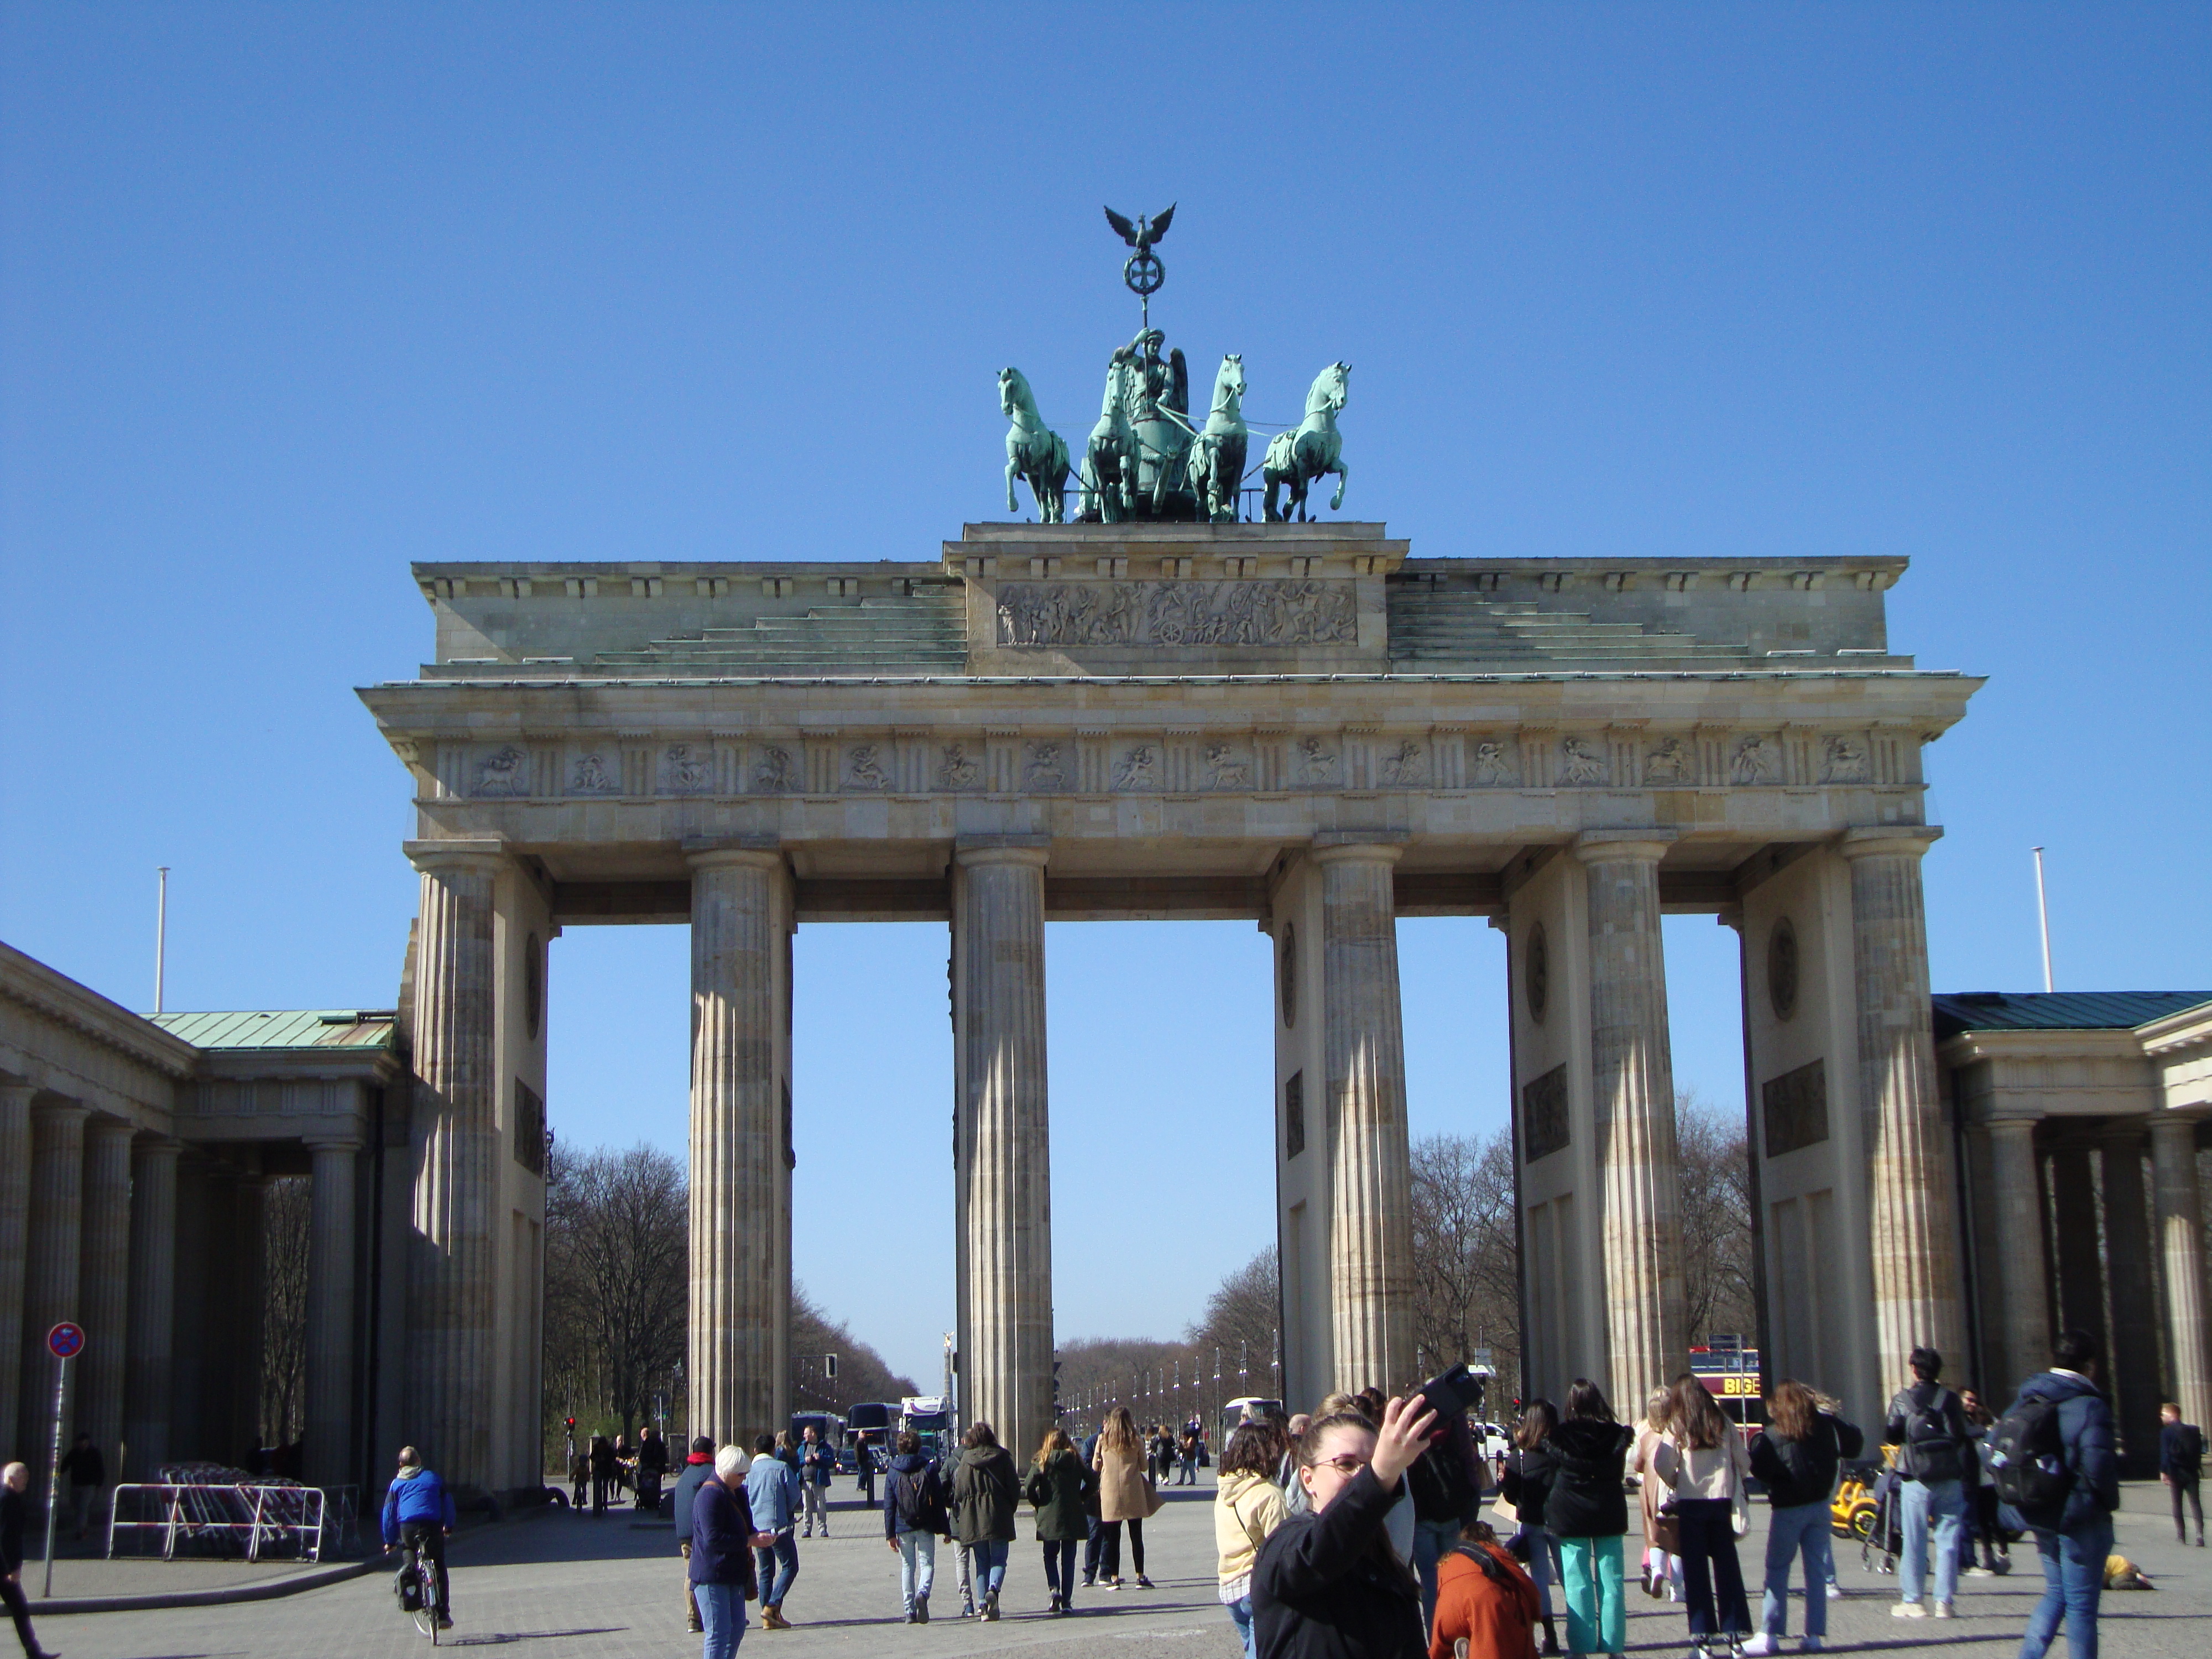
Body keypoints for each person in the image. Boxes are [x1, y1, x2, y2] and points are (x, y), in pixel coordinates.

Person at [1250, 1392, 1436, 1658]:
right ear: (1308, 1478)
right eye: (1345, 1464)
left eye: (1369, 1465)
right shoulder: (1287, 1543)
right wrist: (1379, 1475)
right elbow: (1321, 1551)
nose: (1359, 1475)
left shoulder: (1389, 1568)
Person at [2006, 1329, 2120, 1659]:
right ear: (2089, 1366)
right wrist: (2107, 1504)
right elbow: (2098, 1464)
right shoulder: (2089, 1405)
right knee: (2082, 1608)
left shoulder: (2028, 1396)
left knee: (2056, 1593)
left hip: (2041, 1510)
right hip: (2079, 1516)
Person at [1742, 1379, 1863, 1655]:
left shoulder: (1772, 1436)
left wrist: (1778, 1481)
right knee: (1816, 1571)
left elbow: (1758, 1469)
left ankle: (1770, 1632)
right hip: (1820, 1504)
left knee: (1777, 1569)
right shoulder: (1826, 1427)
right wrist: (1829, 1417)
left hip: (1788, 1507)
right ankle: (1814, 1634)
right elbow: (1854, 1443)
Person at [1658, 1374, 1753, 1657]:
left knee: (1696, 1572)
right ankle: (1735, 1637)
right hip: (1721, 1502)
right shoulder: (1722, 1421)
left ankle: (1702, 1639)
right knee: (1728, 1569)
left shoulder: (1678, 1424)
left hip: (1691, 1503)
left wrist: (1677, 1481)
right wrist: (1736, 1479)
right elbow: (1744, 1460)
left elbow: (1662, 1462)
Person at [1883, 1344, 1978, 1619]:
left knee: (1915, 1538)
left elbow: (1892, 1434)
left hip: (1916, 1475)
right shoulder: (1949, 1399)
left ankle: (1913, 1600)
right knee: (1948, 1539)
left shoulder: (1903, 1400)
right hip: (1948, 1474)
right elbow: (1960, 1435)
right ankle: (1944, 1602)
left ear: (1914, 1369)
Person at [1545, 1378, 1634, 1659]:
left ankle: (1580, 1647)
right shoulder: (1616, 1436)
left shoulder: (1560, 1437)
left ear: (1571, 1403)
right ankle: (1614, 1646)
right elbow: (1618, 1473)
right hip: (1607, 1509)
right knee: (1612, 1581)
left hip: (1571, 1512)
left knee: (1577, 1581)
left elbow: (1553, 1474)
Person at [1406, 1397, 1486, 1629]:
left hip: (1422, 1518)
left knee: (1430, 1585)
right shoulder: (1453, 1429)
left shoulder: (1414, 1438)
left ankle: (1437, 1640)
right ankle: (1458, 1634)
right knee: (1454, 1579)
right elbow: (1466, 1461)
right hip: (1449, 1512)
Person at [1215, 1423, 1290, 1656]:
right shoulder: (1269, 1494)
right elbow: (1283, 1548)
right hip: (1256, 1584)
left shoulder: (1224, 1490)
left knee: (1253, 1649)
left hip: (1229, 1586)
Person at [1499, 1400, 1563, 1657]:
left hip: (1532, 1522)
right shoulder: (1560, 1454)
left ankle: (1550, 1636)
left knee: (1539, 1582)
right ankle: (1583, 1632)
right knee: (1571, 1578)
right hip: (1560, 1522)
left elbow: (1510, 1494)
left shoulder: (1519, 1457)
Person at [1427, 1517, 1542, 1659]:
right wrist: (1534, 1614)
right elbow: (1528, 1587)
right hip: (1484, 1604)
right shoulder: (1495, 1552)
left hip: (1449, 1609)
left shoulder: (1448, 1559)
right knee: (1492, 1648)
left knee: (1443, 1649)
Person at [691, 1443, 764, 1659]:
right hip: (712, 1574)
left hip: (733, 1572)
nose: (744, 1478)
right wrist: (748, 1540)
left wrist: (761, 1536)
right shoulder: (709, 1495)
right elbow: (713, 1538)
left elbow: (746, 1525)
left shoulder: (737, 1492)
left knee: (737, 1628)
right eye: (740, 1474)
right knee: (718, 1633)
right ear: (726, 1472)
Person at [380, 1445, 458, 1630]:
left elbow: (389, 1514)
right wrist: (449, 1525)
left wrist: (390, 1541)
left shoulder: (396, 1484)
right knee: (438, 1564)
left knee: (410, 1558)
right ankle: (442, 1614)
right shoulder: (433, 1478)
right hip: (432, 1524)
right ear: (419, 1462)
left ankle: (413, 1598)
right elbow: (448, 1503)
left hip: (408, 1527)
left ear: (401, 1464)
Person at [953, 1420, 1019, 1621]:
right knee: (999, 1559)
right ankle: (994, 1589)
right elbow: (1015, 1488)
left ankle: (983, 1606)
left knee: (982, 1562)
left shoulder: (965, 1460)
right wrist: (1010, 1509)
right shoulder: (1003, 1457)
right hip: (998, 1514)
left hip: (973, 1518)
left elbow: (959, 1492)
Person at [1027, 1424, 1094, 1615]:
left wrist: (1038, 1502)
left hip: (1049, 1516)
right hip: (1072, 1514)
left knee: (1050, 1556)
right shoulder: (1075, 1460)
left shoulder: (1042, 1461)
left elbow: (1029, 1485)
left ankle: (1054, 1589)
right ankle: (1067, 1602)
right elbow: (1093, 1482)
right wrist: (1081, 1497)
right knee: (1069, 1559)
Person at [1094, 1406, 1163, 1589]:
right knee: (1136, 1535)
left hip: (1110, 1493)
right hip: (1132, 1490)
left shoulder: (1103, 1440)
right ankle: (1140, 1576)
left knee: (1112, 1537)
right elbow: (1144, 1467)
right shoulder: (1135, 1440)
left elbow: (1095, 1466)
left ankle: (1114, 1577)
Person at [884, 1428, 948, 1623]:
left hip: (903, 1526)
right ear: (919, 1447)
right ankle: (923, 1593)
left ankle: (909, 1611)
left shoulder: (893, 1470)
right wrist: (945, 1529)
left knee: (907, 1566)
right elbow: (938, 1499)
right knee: (927, 1564)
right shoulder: (928, 1468)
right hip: (926, 1524)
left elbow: (889, 1505)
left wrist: (890, 1534)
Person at [744, 1430, 802, 1629]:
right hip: (778, 1527)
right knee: (790, 1566)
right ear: (773, 1450)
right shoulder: (781, 1467)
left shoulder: (748, 1472)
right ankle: (772, 1605)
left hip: (756, 1528)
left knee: (766, 1571)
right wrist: (786, 1511)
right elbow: (795, 1495)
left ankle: (767, 1617)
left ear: (754, 1451)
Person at [1631, 1388, 1683, 1603]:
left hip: (1649, 1492)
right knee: (1677, 1542)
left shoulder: (1645, 1437)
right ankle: (1678, 1589)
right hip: (1672, 1491)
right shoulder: (1678, 1435)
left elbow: (1637, 1465)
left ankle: (1656, 1569)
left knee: (1654, 1538)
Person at [0, 1464, 55, 1659]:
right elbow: (6, 1537)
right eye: (23, 1477)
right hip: (3, 1568)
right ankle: (34, 1653)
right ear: (11, 1478)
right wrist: (12, 1567)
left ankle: (34, 1652)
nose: (26, 1481)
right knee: (20, 1608)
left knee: (20, 1608)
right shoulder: (9, 1499)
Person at [1960, 1388, 2012, 1576]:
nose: (1972, 1404)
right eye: (1969, 1400)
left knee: (1991, 1518)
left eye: (1975, 1402)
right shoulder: (1961, 1420)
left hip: (1986, 1477)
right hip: (1972, 1477)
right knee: (1975, 1520)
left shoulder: (1979, 1420)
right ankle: (1977, 1560)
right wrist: (1985, 1429)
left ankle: (2001, 1554)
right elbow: (1964, 1432)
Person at [672, 1434, 719, 1634]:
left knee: (691, 1574)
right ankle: (717, 1617)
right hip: (703, 1533)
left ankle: (693, 1618)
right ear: (710, 1452)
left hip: (684, 1534)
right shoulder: (711, 1473)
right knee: (713, 1575)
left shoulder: (685, 1474)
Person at [2159, 1401, 2204, 1547]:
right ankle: (2200, 1535)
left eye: (2164, 1414)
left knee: (2178, 1504)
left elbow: (2165, 1453)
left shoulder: (2167, 1432)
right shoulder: (2193, 1431)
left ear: (2173, 1415)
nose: (2161, 1417)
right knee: (2195, 1503)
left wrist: (2163, 1471)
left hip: (2176, 1472)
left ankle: (2182, 1535)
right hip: (2192, 1472)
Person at [57, 1432, 104, 1542]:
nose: (81, 1444)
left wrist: (99, 1483)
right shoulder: (75, 1453)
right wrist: (58, 1473)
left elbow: (100, 1468)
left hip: (89, 1485)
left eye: (83, 1442)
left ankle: (80, 1531)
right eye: (79, 1442)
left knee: (83, 1508)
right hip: (76, 1484)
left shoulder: (94, 1453)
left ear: (87, 1442)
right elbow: (65, 1464)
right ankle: (82, 1528)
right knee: (77, 1507)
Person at [799, 1425, 836, 1537]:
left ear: (813, 1434)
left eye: (806, 1434)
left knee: (820, 1505)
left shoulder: (824, 1446)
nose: (804, 1436)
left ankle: (823, 1529)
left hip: (819, 1481)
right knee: (807, 1507)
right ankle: (807, 1529)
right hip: (806, 1482)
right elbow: (797, 1460)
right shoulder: (803, 1447)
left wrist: (821, 1458)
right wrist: (805, 1460)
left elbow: (831, 1460)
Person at [637, 1425, 670, 1514]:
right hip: (656, 1468)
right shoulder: (661, 1445)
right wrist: (659, 1464)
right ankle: (655, 1501)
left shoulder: (647, 1444)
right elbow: (664, 1457)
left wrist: (646, 1464)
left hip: (647, 1467)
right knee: (657, 1484)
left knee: (646, 1482)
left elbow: (642, 1456)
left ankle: (646, 1499)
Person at [590, 1433, 617, 1518]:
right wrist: (598, 1459)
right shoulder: (598, 1449)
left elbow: (613, 1458)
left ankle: (604, 1503)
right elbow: (592, 1457)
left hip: (605, 1469)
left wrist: (605, 1460)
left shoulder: (608, 1449)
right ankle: (601, 1503)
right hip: (600, 1470)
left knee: (605, 1487)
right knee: (600, 1487)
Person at [854, 1432, 878, 1506]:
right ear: (860, 1435)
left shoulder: (864, 1442)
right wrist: (859, 1461)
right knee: (862, 1473)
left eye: (865, 1434)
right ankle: (860, 1486)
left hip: (865, 1461)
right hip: (862, 1461)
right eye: (863, 1434)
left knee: (865, 1474)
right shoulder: (858, 1443)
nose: (864, 1435)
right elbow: (857, 1453)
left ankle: (863, 1485)